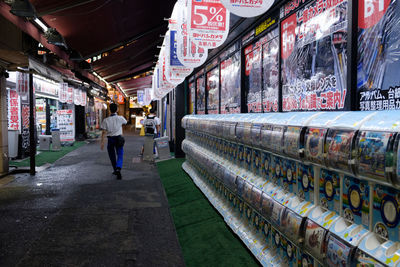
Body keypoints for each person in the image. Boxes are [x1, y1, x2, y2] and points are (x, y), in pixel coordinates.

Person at [100, 103, 127, 180]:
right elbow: (125, 122)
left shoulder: (106, 120)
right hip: (119, 139)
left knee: (112, 156)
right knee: (120, 154)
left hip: (110, 139)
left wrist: (102, 143)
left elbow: (103, 132)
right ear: (117, 110)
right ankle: (118, 168)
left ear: (109, 110)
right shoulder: (120, 118)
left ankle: (115, 170)